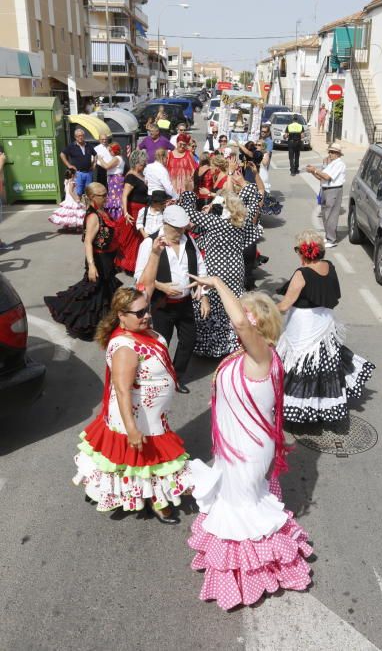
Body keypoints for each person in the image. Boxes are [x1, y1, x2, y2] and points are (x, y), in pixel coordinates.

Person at [187, 276, 313, 610]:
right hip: (233, 445)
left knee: (242, 510)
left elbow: (240, 323)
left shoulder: (263, 356)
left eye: (240, 316)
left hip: (248, 449)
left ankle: (255, 576)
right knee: (236, 504)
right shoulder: (246, 354)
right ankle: (245, 572)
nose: (234, 321)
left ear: (254, 323)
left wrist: (216, 282)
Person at [72, 285, 191, 521]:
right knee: (145, 460)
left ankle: (148, 496)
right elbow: (123, 391)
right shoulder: (125, 348)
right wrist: (132, 429)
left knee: (140, 461)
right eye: (139, 313)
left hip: (152, 414)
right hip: (136, 416)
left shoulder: (139, 326)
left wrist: (155, 252)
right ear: (121, 316)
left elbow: (145, 281)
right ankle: (156, 500)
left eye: (146, 309)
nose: (146, 315)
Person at [276, 230, 374, 424]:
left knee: (300, 365)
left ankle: (300, 409)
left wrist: (261, 310)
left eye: (297, 250)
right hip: (324, 323)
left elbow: (285, 305)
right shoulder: (329, 267)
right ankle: (321, 407)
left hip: (303, 325)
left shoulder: (301, 274)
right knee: (322, 364)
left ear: (303, 252)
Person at [136, 205, 210, 394]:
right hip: (161, 305)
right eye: (177, 229)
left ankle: (176, 377)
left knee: (189, 339)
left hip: (185, 304)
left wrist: (204, 297)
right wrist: (162, 286)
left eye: (183, 228)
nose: (180, 232)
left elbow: (201, 270)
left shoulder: (189, 241)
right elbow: (139, 278)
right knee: (161, 344)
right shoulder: (149, 243)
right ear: (166, 224)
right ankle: (154, 378)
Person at [44, 183, 121, 340]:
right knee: (94, 292)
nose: (106, 197)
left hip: (107, 259)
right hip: (98, 260)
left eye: (106, 193)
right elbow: (87, 242)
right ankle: (78, 320)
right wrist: (92, 266)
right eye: (102, 195)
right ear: (92, 197)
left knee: (103, 291)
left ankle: (104, 323)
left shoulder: (102, 211)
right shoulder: (93, 216)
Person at [179, 190, 249, 358]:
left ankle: (213, 346)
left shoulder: (217, 223)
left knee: (215, 302)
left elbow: (188, 213)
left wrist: (189, 193)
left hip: (218, 271)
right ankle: (232, 343)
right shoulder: (239, 223)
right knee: (231, 302)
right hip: (235, 270)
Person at [307, 142, 345, 248]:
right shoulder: (331, 163)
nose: (330, 154)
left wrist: (315, 170)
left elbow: (327, 177)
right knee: (325, 214)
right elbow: (321, 177)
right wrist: (313, 172)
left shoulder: (339, 164)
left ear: (338, 154)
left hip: (333, 190)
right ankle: (329, 236)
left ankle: (332, 239)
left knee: (331, 215)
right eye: (330, 152)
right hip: (325, 189)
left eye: (333, 152)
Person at [116, 149, 148, 275]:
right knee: (132, 239)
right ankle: (130, 265)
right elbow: (124, 196)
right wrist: (125, 212)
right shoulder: (130, 176)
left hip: (141, 209)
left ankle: (135, 264)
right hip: (133, 210)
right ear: (136, 163)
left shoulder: (139, 174)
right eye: (142, 164)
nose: (144, 166)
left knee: (138, 239)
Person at [60, 129, 96, 197]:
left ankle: (87, 207)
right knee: (78, 192)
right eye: (78, 136)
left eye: (82, 135)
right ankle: (79, 206)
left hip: (88, 173)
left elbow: (95, 155)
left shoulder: (88, 145)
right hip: (78, 173)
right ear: (75, 137)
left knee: (89, 192)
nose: (80, 137)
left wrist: (94, 164)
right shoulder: (71, 146)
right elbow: (62, 154)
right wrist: (69, 165)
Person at [99, 143, 126, 221]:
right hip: (113, 179)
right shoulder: (117, 158)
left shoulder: (116, 158)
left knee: (116, 198)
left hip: (115, 180)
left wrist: (100, 159)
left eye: (110, 150)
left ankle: (117, 217)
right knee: (114, 197)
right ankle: (115, 216)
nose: (109, 152)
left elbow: (107, 166)